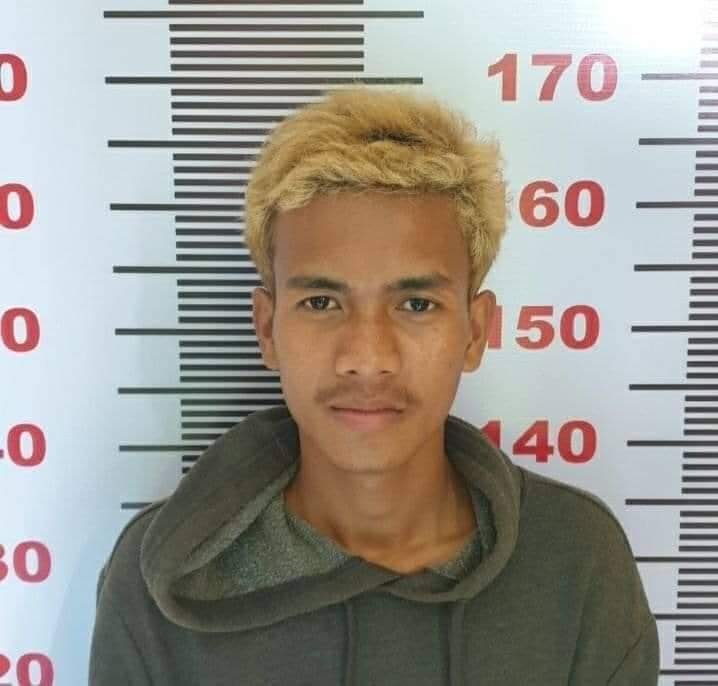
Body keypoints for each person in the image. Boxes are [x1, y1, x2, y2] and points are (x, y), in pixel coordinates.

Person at [89, 87, 660, 685]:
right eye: (320, 302)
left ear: (475, 332)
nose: (366, 359)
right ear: (267, 330)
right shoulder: (148, 588)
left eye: (416, 304)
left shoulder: (580, 564)